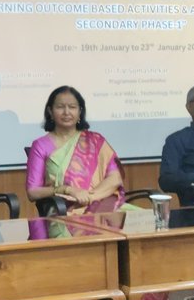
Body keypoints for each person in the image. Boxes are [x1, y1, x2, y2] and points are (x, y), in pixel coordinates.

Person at [26, 85, 123, 214]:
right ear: (50, 111)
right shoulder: (40, 145)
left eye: (72, 107)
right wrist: (66, 190)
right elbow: (33, 192)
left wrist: (89, 197)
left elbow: (115, 178)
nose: (66, 112)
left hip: (101, 208)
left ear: (80, 112)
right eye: (60, 107)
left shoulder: (95, 140)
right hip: (62, 213)